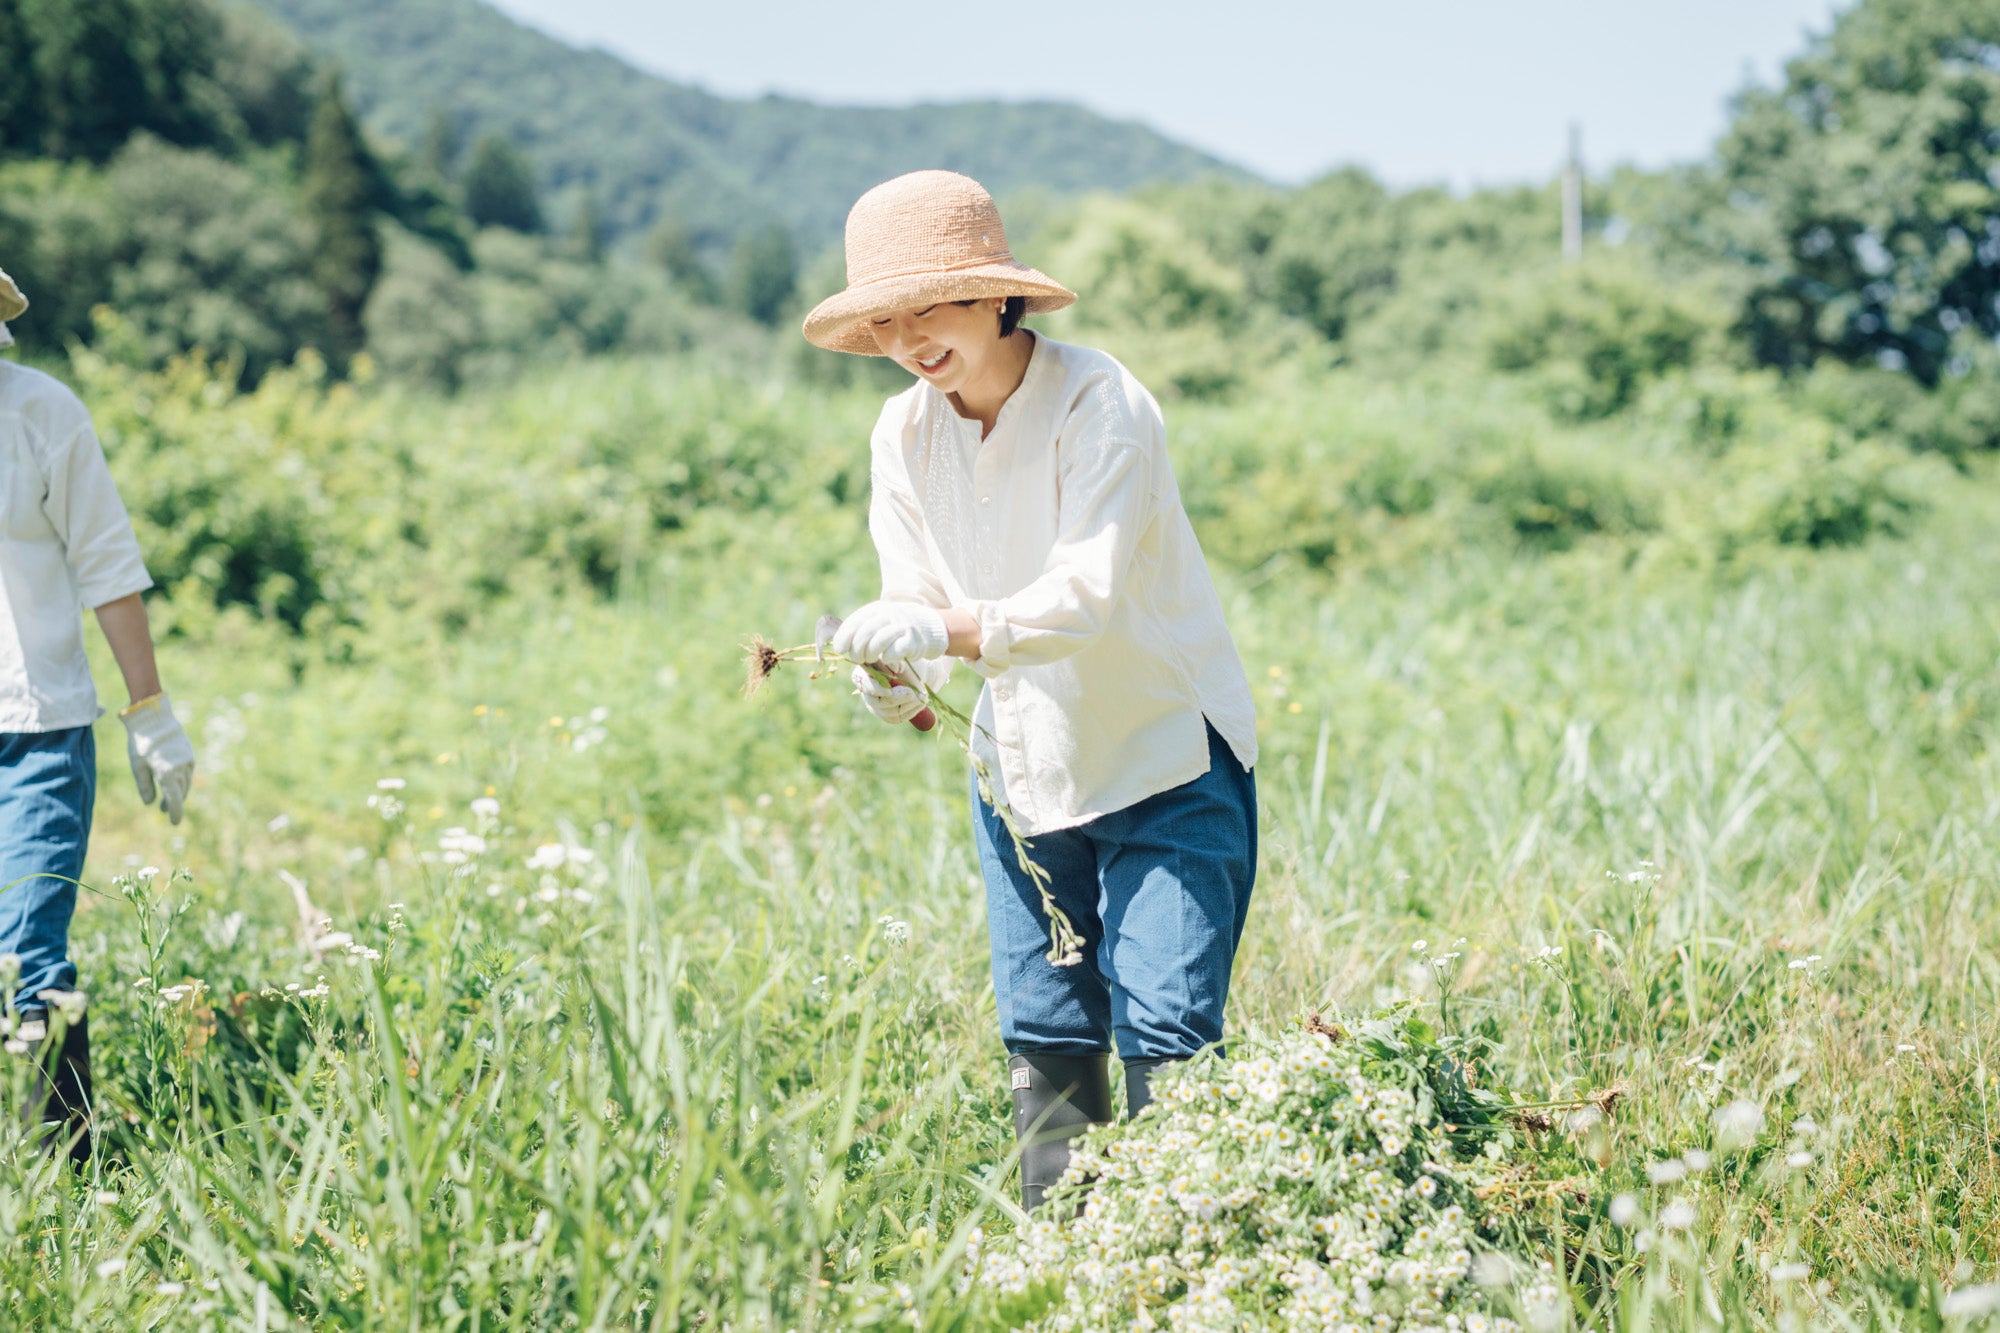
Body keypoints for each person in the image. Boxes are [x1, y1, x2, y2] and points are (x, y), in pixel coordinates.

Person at [804, 171, 1259, 1211]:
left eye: (930, 308)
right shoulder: (901, 433)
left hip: (1158, 753)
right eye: (884, 319)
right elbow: (912, 593)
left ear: (993, 296)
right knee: (1044, 1023)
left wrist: (945, 629)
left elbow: (1080, 599)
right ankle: (1058, 1259)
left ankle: (1188, 1261)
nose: (909, 338)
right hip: (1016, 762)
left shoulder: (1100, 400)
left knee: (1167, 1026)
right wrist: (894, 669)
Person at [0, 265, 195, 1161]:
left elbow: (108, 566)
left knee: (25, 954)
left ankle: (67, 1190)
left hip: (37, 731)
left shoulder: (42, 413)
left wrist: (147, 710)